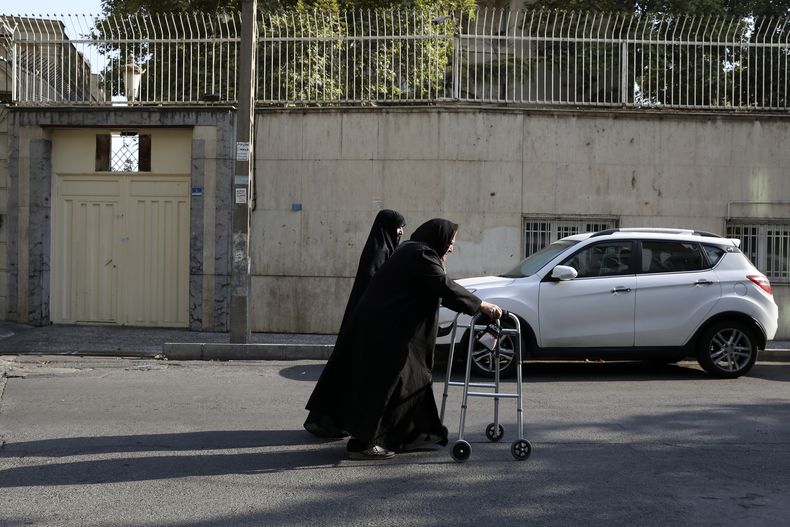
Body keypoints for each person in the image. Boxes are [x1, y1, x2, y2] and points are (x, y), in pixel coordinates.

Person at [311, 218, 502, 460]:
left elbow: (437, 288)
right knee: (392, 385)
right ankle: (363, 443)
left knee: (413, 379)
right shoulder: (420, 255)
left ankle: (414, 433)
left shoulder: (413, 251)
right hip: (388, 334)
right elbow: (443, 286)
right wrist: (481, 305)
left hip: (389, 331)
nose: (452, 247)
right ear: (439, 238)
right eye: (451, 242)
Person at [304, 209, 406, 438]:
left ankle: (340, 420)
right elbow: (375, 286)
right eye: (398, 226)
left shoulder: (384, 249)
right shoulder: (379, 252)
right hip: (367, 325)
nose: (400, 231)